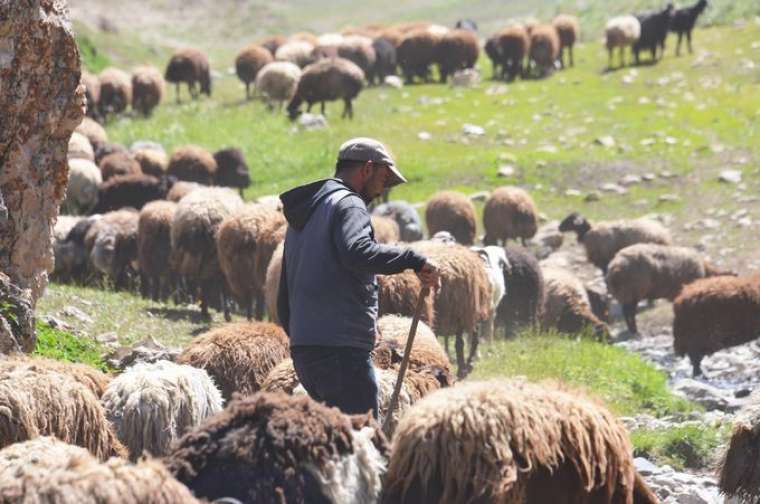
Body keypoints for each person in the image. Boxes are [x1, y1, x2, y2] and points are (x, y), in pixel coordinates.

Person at [277, 137, 439, 419]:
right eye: (384, 177)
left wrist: (304, 337)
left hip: (306, 352)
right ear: (367, 169)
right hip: (341, 353)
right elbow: (357, 252)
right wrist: (412, 259)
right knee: (362, 442)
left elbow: (284, 293)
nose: (382, 189)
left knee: (332, 445)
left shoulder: (307, 212)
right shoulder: (349, 205)